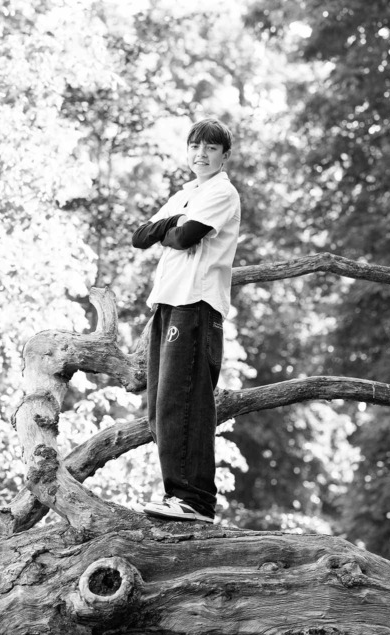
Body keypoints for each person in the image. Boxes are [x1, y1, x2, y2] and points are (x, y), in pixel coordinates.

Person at [132, 118, 241, 524]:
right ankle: (176, 496)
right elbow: (140, 236)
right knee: (160, 407)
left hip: (196, 305)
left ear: (224, 155)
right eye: (195, 146)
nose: (201, 154)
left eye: (211, 148)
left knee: (185, 400)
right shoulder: (186, 193)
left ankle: (193, 500)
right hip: (168, 303)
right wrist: (170, 223)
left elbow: (183, 237)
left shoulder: (221, 193)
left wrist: (172, 226)